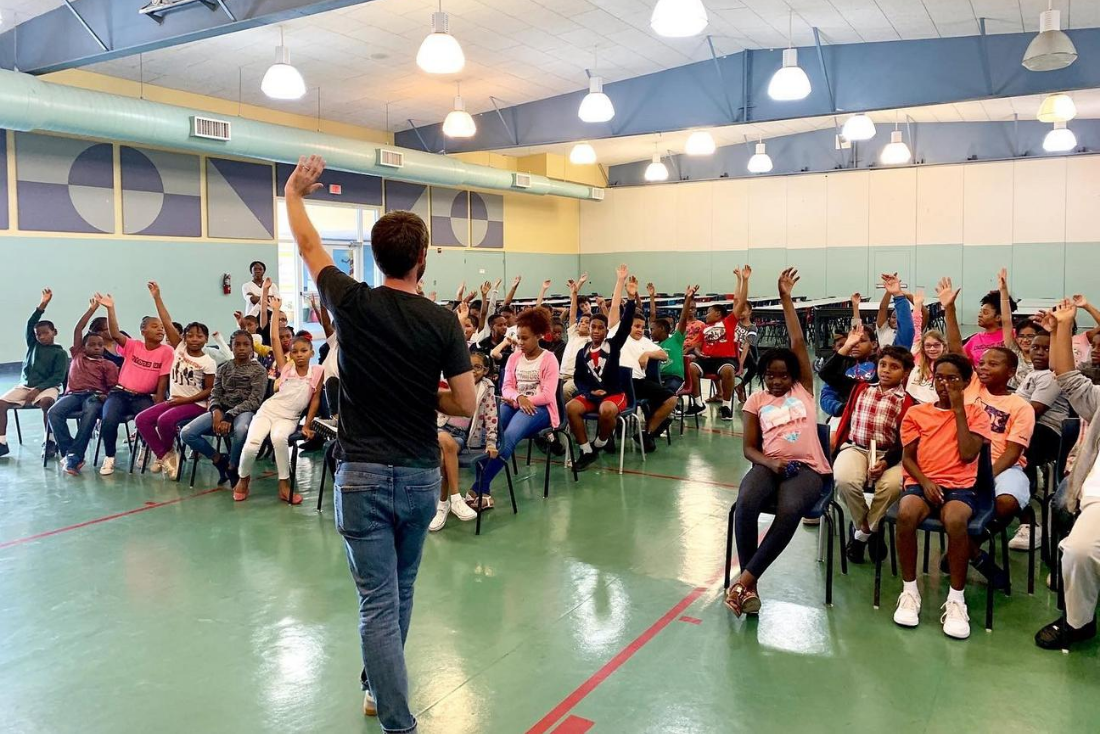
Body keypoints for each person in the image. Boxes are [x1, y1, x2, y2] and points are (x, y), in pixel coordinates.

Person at [286, 154, 474, 729]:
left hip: (361, 477)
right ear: (423, 259)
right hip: (418, 477)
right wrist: (426, 396)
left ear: (374, 257)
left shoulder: (352, 301)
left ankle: (394, 716)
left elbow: (308, 244)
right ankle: (378, 693)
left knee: (377, 603)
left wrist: (294, 192)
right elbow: (465, 405)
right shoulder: (443, 322)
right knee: (402, 590)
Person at [725, 268, 831, 617]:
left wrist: (786, 299)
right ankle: (750, 589)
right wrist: (770, 463)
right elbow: (749, 448)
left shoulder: (803, 389)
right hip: (769, 464)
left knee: (789, 510)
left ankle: (745, 580)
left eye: (783, 375)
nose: (776, 381)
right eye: (770, 375)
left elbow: (798, 342)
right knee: (746, 503)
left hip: (808, 469)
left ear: (793, 377)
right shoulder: (755, 401)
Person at [942, 277, 1034, 588]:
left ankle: (966, 548)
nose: (982, 367)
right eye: (981, 363)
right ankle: (974, 555)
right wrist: (949, 309)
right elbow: (957, 350)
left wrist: (985, 476)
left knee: (1006, 501)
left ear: (1010, 372)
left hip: (1000, 468)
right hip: (961, 462)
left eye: (992, 364)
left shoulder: (1020, 406)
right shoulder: (972, 388)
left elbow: (1013, 452)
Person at [894, 353, 992, 639]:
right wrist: (925, 482)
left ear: (966, 382)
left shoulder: (977, 414)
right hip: (922, 483)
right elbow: (908, 458)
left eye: (953, 379)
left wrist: (959, 410)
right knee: (906, 513)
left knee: (956, 520)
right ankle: (909, 591)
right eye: (939, 378)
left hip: (961, 486)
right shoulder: (917, 414)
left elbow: (968, 453)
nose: (945, 384)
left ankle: (956, 599)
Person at [1034, 298, 1100, 650]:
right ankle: (1078, 621)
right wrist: (1063, 326)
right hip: (1096, 493)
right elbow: (1069, 379)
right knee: (1077, 550)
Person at [821, 324, 915, 563]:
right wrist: (847, 346)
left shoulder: (908, 402)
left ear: (905, 373)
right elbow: (827, 374)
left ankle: (860, 536)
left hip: (889, 455)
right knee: (845, 480)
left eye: (894, 367)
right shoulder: (860, 388)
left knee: (892, 486)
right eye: (883, 365)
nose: (886, 371)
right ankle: (870, 528)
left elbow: (904, 442)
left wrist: (886, 463)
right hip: (855, 448)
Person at [233, 297, 323, 505]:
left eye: (304, 351)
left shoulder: (317, 372)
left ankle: (284, 484)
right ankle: (243, 479)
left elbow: (315, 400)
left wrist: (307, 425)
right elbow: (274, 338)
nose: (299, 355)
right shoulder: (286, 368)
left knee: (279, 439)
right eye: (295, 351)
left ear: (312, 352)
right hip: (268, 411)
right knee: (252, 445)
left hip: (289, 418)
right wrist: (275, 310)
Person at [467, 308, 559, 507]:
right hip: (515, 403)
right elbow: (506, 387)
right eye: (518, 337)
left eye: (525, 338)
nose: (520, 342)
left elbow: (548, 395)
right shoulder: (514, 358)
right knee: (487, 431)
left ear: (538, 336)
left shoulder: (549, 359)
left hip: (540, 409)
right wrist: (518, 398)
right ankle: (483, 491)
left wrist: (523, 400)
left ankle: (479, 488)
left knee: (508, 436)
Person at [133, 282, 216, 479]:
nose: (194, 339)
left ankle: (167, 453)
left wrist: (184, 400)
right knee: (141, 420)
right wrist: (157, 297)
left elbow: (209, 390)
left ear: (205, 339)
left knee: (164, 420)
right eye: (190, 335)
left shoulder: (208, 361)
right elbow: (167, 321)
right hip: (175, 401)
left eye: (199, 336)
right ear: (184, 337)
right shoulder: (179, 348)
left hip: (196, 404)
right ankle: (166, 455)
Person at [91, 294, 175, 475]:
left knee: (147, 421)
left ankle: (146, 448)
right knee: (108, 419)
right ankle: (110, 456)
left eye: (162, 327)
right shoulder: (133, 345)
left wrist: (159, 402)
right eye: (155, 326)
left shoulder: (167, 351)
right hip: (120, 393)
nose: (160, 330)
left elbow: (163, 380)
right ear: (143, 331)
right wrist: (110, 308)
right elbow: (115, 334)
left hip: (143, 396)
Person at [1008, 326, 1070, 552]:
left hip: (1048, 432)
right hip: (1028, 426)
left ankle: (1029, 520)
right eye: (1036, 347)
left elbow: (1032, 411)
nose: (1040, 352)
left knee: (1015, 451)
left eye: (1046, 348)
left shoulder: (1051, 377)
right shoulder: (1032, 374)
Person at [566, 265, 634, 472]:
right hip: (592, 395)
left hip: (614, 395)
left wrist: (631, 299)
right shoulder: (583, 352)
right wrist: (589, 392)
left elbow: (626, 325)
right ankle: (586, 450)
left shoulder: (613, 345)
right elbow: (579, 379)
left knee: (606, 410)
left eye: (600, 328)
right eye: (593, 327)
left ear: (606, 331)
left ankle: (600, 442)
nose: (596, 331)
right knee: (571, 408)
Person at [180, 330, 267, 487]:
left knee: (240, 430)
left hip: (244, 411)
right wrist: (216, 410)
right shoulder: (223, 368)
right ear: (231, 347)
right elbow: (215, 393)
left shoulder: (259, 370)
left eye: (246, 344)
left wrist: (229, 416)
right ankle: (219, 460)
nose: (241, 348)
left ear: (251, 348)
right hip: (222, 409)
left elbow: (255, 400)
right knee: (186, 433)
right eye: (237, 345)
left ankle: (233, 466)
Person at [49, 295, 120, 475]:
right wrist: (92, 309)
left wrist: (106, 396)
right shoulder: (78, 354)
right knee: (53, 412)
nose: (97, 347)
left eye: (100, 345)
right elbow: (79, 328)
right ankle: (71, 453)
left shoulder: (108, 365)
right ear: (83, 346)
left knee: (89, 415)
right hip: (73, 395)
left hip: (94, 396)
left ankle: (74, 457)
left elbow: (113, 388)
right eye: (92, 344)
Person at [0, 289, 68, 460]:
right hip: (25, 386)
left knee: (47, 403)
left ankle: (49, 440)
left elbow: (58, 377)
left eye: (46, 333)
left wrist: (38, 390)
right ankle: (2, 442)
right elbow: (31, 323)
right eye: (38, 334)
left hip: (47, 387)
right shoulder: (33, 344)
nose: (42, 337)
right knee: (1, 404)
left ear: (55, 332)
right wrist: (42, 304)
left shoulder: (60, 353)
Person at [433, 351, 494, 531]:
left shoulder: (486, 387)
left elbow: (491, 416)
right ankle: (455, 498)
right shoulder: (451, 379)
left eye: (478, 367)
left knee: (444, 457)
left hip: (460, 436)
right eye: (469, 366)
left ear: (485, 370)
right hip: (438, 428)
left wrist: (491, 442)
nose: (473, 371)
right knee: (444, 439)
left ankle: (442, 505)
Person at [620, 311, 677, 453]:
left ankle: (648, 433)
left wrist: (647, 353)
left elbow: (664, 355)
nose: (640, 329)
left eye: (642, 327)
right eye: (636, 326)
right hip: (622, 383)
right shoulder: (620, 337)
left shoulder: (645, 341)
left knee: (671, 399)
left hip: (639, 382)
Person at [962, 280, 1017, 367]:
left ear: (998, 317)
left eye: (985, 312)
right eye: (980, 312)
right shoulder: (974, 339)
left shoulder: (1013, 334)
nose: (980, 315)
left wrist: (1003, 292)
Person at [906, 290, 947, 403]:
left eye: (936, 345)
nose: (932, 349)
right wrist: (917, 305)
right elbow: (916, 326)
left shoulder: (947, 364)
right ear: (922, 347)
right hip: (914, 403)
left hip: (936, 406)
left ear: (943, 346)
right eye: (928, 346)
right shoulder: (918, 355)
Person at [559, 273, 591, 400]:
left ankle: (568, 412)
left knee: (566, 390)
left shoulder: (591, 340)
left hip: (576, 377)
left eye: (586, 322)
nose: (582, 323)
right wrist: (574, 293)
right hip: (562, 375)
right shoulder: (573, 335)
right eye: (581, 321)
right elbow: (572, 315)